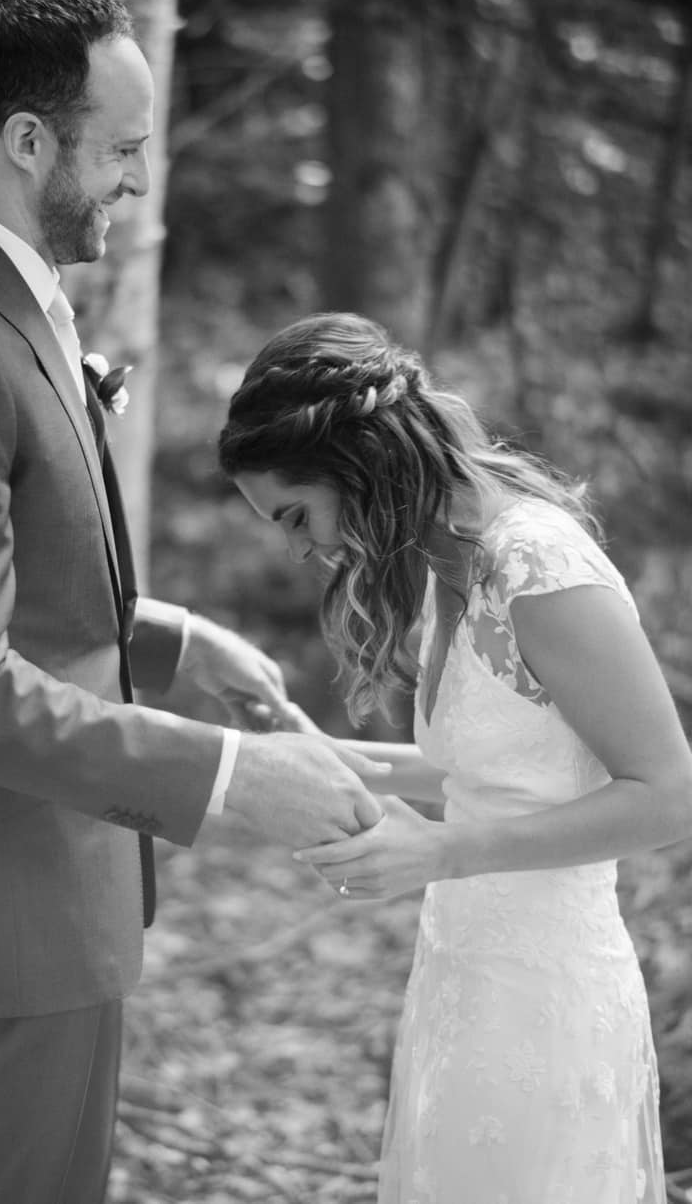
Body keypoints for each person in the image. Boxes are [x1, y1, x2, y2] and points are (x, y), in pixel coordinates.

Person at [0, 0, 388, 1204]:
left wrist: (177, 641)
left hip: (55, 901)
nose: (140, 181)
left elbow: (16, 589)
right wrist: (231, 778)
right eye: (122, 149)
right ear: (29, 140)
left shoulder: (2, 303)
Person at [218, 311, 691, 1202]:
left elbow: (669, 795)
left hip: (548, 993)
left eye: (296, 514)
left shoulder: (538, 568)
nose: (298, 546)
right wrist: (292, 747)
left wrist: (439, 852)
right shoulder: (449, 564)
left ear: (359, 465)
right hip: (463, 972)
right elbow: (484, 775)